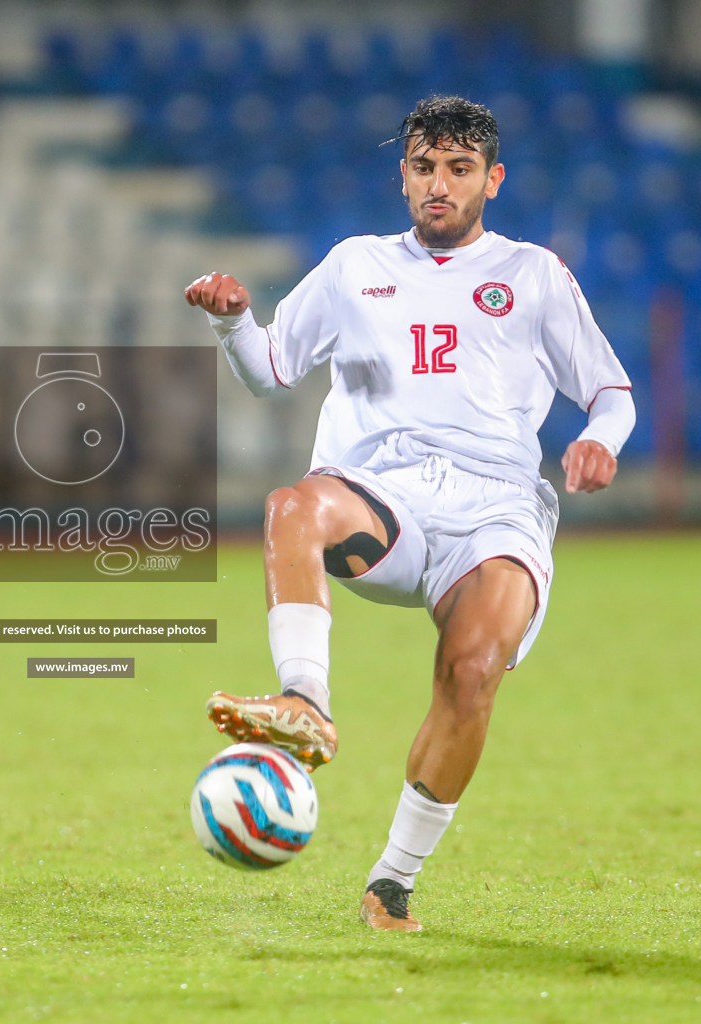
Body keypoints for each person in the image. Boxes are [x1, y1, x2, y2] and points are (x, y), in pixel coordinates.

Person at [185, 95, 634, 933]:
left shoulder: (532, 274)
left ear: (491, 180)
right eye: (425, 167)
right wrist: (234, 321)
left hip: (498, 510)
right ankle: (305, 700)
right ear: (403, 177)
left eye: (459, 169)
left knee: (471, 675)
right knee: (291, 505)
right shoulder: (355, 265)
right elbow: (271, 368)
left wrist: (601, 440)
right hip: (384, 493)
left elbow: (609, 389)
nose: (440, 184)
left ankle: (391, 883)